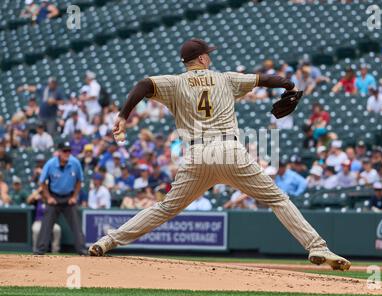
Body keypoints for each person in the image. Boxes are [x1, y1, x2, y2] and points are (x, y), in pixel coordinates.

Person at [88, 38, 350, 270]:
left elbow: (143, 85)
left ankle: (108, 241)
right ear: (202, 58)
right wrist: (290, 86)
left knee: (165, 208)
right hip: (230, 150)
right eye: (208, 53)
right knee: (278, 200)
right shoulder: (226, 78)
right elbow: (265, 79)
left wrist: (123, 115)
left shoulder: (175, 82)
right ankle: (317, 247)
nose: (210, 56)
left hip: (197, 154)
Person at [34, 141, 86, 255]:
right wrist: (48, 197)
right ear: (59, 152)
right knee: (46, 224)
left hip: (69, 197)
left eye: (69, 151)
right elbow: (42, 182)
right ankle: (40, 250)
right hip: (54, 196)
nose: (67, 153)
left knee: (76, 224)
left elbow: (79, 181)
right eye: (64, 151)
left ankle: (82, 249)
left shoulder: (75, 162)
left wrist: (74, 196)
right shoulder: (50, 164)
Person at [27, 186, 61, 253]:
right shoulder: (37, 200)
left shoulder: (51, 199)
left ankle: (55, 250)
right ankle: (35, 250)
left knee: (57, 229)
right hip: (38, 222)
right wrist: (38, 190)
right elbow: (28, 200)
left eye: (44, 192)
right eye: (42, 192)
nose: (43, 194)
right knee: (36, 230)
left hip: (50, 222)